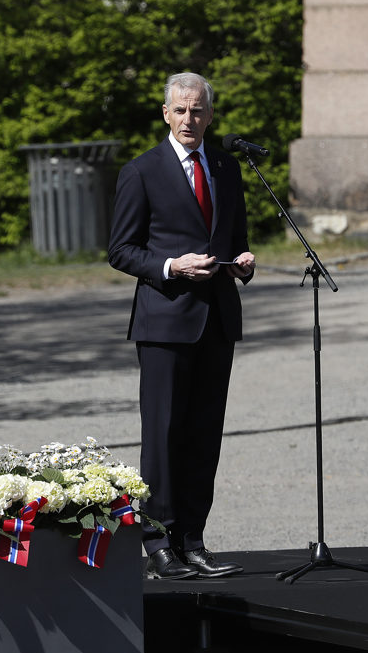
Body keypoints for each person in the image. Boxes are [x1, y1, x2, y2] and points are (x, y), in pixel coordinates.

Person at [108, 72, 256, 579]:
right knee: (164, 435)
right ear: (166, 114)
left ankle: (193, 540)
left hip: (217, 319)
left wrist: (242, 262)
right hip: (165, 321)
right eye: (180, 110)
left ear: (209, 116)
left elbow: (234, 237)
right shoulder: (142, 171)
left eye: (197, 110)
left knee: (204, 436)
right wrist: (172, 266)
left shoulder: (226, 167)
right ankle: (158, 543)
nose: (189, 119)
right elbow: (121, 250)